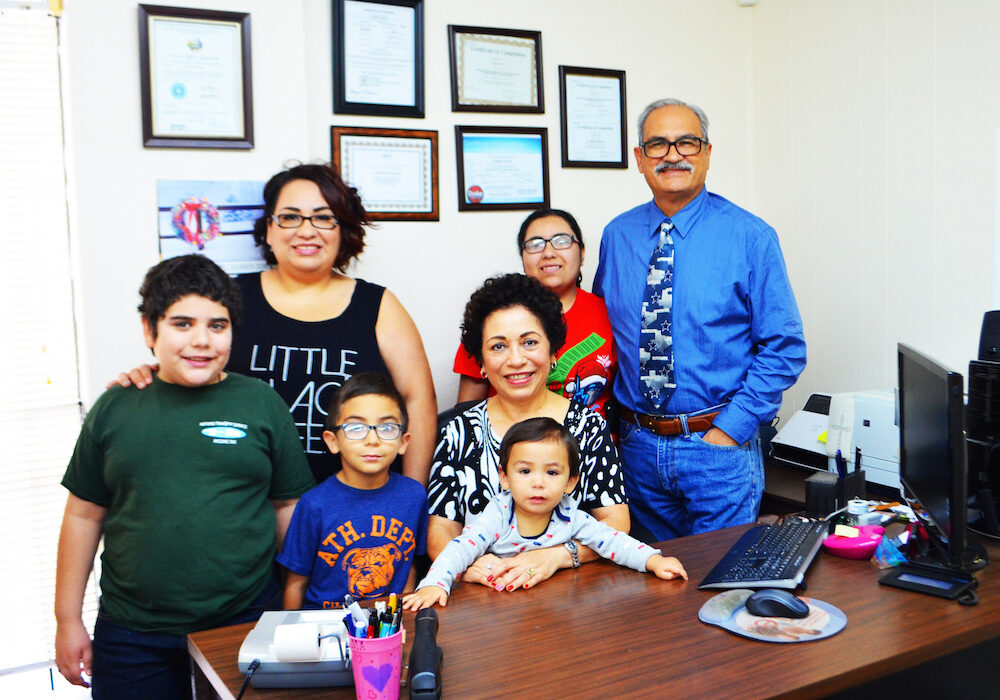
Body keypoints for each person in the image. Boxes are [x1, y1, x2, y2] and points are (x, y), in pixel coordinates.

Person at [55, 255, 315, 699]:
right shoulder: (116, 408)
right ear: (149, 330)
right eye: (182, 324)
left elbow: (289, 509)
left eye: (217, 325)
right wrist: (67, 619)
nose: (201, 340)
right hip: (132, 634)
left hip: (245, 621)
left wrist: (299, 612)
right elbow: (82, 517)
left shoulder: (261, 404)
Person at [115, 163, 437, 485]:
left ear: (344, 230)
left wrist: (413, 496)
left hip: (358, 512)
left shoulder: (378, 305)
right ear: (269, 229)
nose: (306, 230)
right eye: (290, 217)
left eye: (323, 218)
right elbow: (192, 362)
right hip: (245, 504)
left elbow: (418, 400)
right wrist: (152, 377)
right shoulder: (230, 296)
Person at [594, 98, 807, 542]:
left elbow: (784, 349)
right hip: (637, 448)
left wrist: (729, 433)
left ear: (707, 152)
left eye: (686, 143)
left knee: (717, 586)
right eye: (657, 145)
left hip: (717, 448)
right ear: (639, 158)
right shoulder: (617, 236)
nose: (673, 155)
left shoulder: (751, 237)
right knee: (653, 589)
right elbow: (603, 338)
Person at [427, 273, 629, 592]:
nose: (516, 359)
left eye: (529, 342)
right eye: (498, 346)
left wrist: (556, 557)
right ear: (480, 362)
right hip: (485, 598)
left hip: (569, 594)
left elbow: (616, 523)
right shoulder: (457, 431)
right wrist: (474, 566)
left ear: (553, 352)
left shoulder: (587, 426)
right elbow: (440, 531)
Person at [404, 418, 686, 610]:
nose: (538, 482)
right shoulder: (498, 515)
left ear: (570, 482)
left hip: (551, 606)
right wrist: (434, 584)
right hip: (495, 605)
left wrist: (652, 560)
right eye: (525, 471)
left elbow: (613, 541)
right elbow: (459, 549)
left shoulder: (571, 517)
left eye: (551, 472)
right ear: (504, 477)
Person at [279, 372, 428, 608]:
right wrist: (289, 636)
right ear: (332, 440)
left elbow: (408, 565)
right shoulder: (314, 505)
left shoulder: (414, 496)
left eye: (387, 427)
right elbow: (295, 583)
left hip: (386, 626)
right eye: (356, 428)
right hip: (324, 626)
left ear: (403, 442)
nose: (372, 439)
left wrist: (403, 615)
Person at [453, 209, 616, 417]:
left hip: (592, 444)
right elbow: (466, 414)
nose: (548, 252)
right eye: (535, 244)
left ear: (582, 253)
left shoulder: (611, 313)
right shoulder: (492, 317)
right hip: (510, 443)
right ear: (522, 256)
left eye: (562, 240)